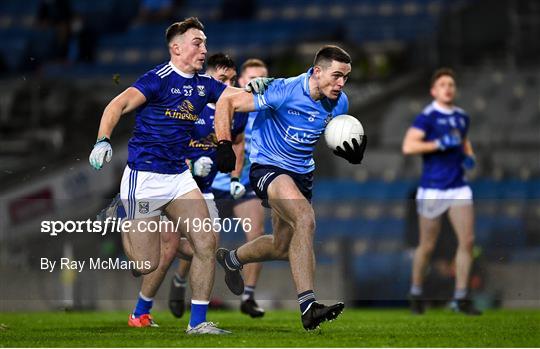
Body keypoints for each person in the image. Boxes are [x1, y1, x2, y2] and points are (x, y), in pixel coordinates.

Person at [88, 17, 244, 334]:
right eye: (197, 42)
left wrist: (281, 93)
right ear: (176, 47)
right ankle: (124, 216)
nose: (204, 49)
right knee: (147, 264)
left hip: (177, 177)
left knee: (206, 241)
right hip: (144, 178)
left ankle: (198, 323)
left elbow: (237, 98)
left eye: (205, 43)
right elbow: (117, 105)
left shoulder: (205, 85)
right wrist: (103, 140)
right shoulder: (157, 79)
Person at [213, 45, 368, 330]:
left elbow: (333, 133)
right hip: (268, 168)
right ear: (317, 71)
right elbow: (226, 103)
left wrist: (349, 151)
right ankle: (309, 307)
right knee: (305, 218)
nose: (341, 84)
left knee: (281, 245)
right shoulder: (282, 90)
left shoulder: (340, 103)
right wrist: (223, 142)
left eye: (345, 77)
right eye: (336, 76)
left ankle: (232, 259)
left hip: (302, 175)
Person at [192, 58, 269, 319]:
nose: (257, 82)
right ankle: (181, 282)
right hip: (210, 183)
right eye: (252, 78)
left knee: (256, 234)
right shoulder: (220, 105)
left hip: (244, 182)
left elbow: (242, 145)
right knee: (201, 242)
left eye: (263, 78)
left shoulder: (266, 107)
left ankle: (248, 296)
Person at [401, 67, 481, 315]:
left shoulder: (461, 117)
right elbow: (409, 145)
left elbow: (464, 142)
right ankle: (415, 291)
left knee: (467, 241)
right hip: (433, 188)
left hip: (458, 187)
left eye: (451, 84)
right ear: (434, 91)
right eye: (443, 84)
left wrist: (469, 157)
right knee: (427, 245)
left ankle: (461, 297)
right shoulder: (427, 118)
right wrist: (437, 144)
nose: (448, 88)